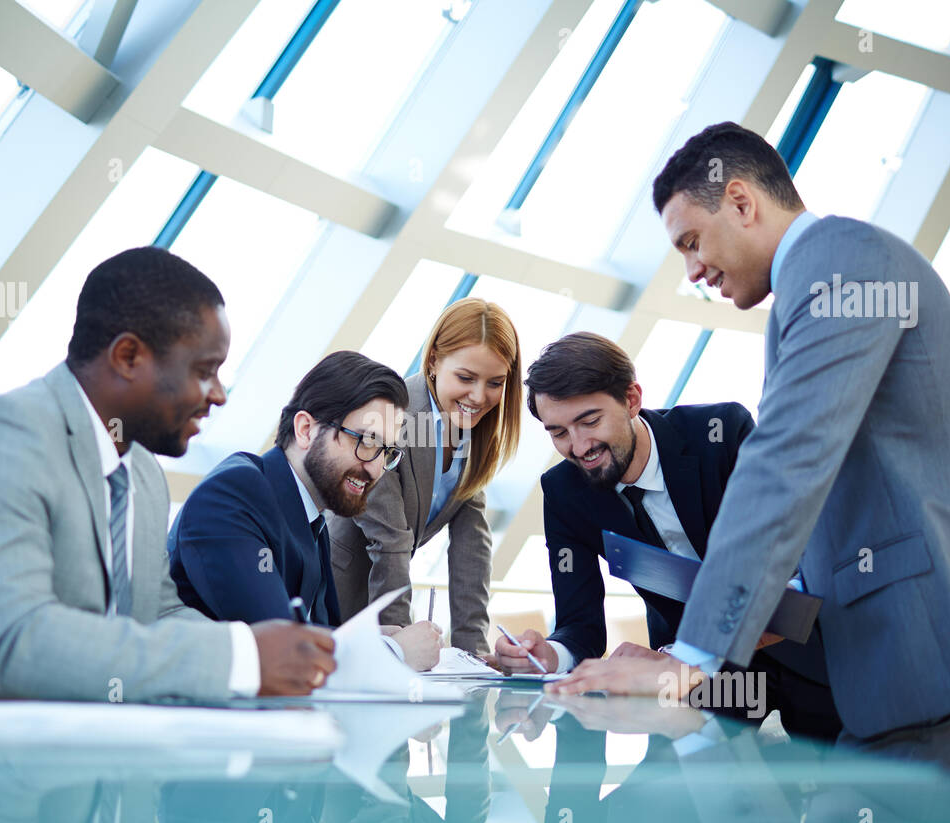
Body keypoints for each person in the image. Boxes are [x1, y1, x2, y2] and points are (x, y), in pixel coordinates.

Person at [554, 122, 950, 785]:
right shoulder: (824, 277)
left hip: (940, 660)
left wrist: (692, 659)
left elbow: (786, 461)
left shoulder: (841, 265)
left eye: (691, 241)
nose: (692, 270)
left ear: (741, 202)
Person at [0, 247, 335, 717]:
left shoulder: (143, 475)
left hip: (90, 760)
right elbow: (13, 648)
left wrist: (277, 657)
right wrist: (239, 659)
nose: (219, 395)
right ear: (128, 356)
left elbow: (158, 613)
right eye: (204, 371)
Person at [493, 332, 841, 741]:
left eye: (590, 421)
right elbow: (579, 625)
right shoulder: (564, 492)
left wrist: (679, 658)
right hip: (688, 687)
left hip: (804, 654)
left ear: (632, 399)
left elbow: (795, 577)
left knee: (849, 784)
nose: (579, 446)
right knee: (661, 799)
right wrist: (549, 655)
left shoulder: (722, 434)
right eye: (559, 433)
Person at [168, 351, 443, 669]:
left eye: (387, 451)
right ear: (305, 429)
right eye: (366, 441)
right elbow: (280, 650)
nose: (377, 468)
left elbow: (308, 627)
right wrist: (391, 652)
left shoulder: (312, 514)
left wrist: (364, 637)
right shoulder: (232, 496)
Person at [329, 298, 522, 656]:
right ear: (433, 359)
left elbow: (472, 550)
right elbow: (389, 539)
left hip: (379, 605)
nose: (479, 396)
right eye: (465, 378)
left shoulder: (471, 437)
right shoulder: (390, 417)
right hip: (329, 597)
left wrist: (471, 652)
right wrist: (400, 643)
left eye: (495, 382)